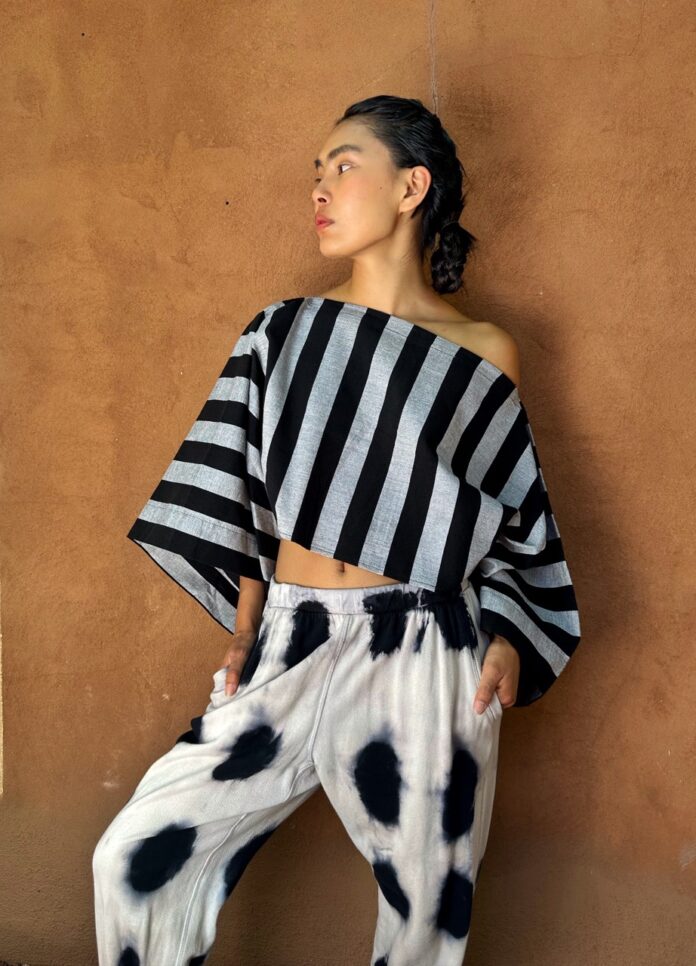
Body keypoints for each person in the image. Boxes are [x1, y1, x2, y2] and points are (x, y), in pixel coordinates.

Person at [92, 95, 581, 966]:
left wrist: (506, 636)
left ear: (410, 187)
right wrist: (245, 631)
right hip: (292, 636)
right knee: (134, 858)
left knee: (429, 908)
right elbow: (245, 499)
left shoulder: (484, 351)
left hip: (428, 653)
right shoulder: (280, 333)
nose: (319, 188)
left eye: (343, 165)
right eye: (314, 173)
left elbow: (510, 515)